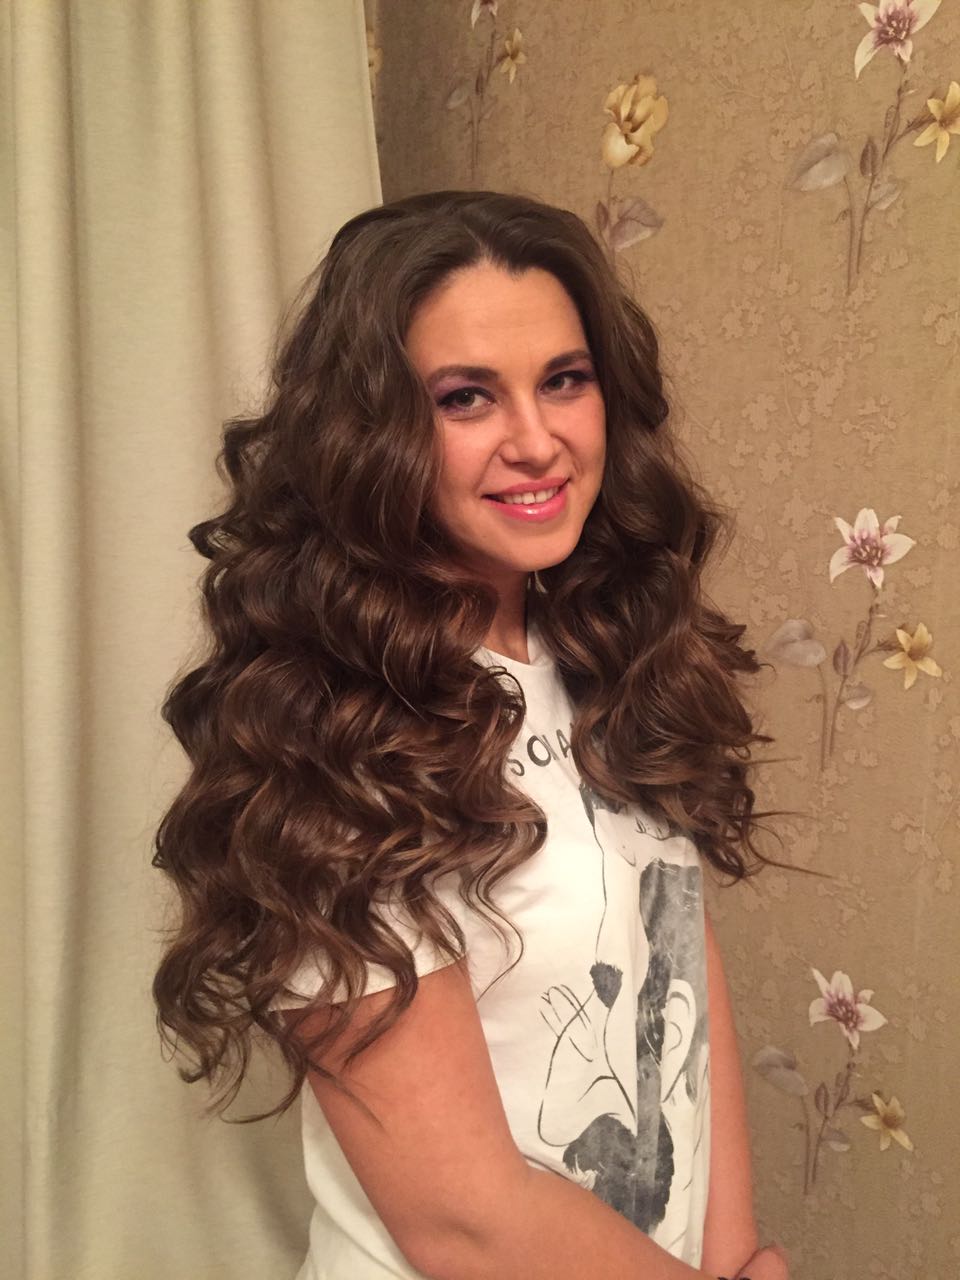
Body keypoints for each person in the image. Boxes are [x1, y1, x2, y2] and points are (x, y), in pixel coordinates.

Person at [152, 190, 790, 1280]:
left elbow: (678, 967)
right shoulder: (326, 731)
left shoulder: (604, 652)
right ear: (368, 438)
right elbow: (465, 1222)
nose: (537, 442)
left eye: (565, 380)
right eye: (465, 398)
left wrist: (735, 1256)